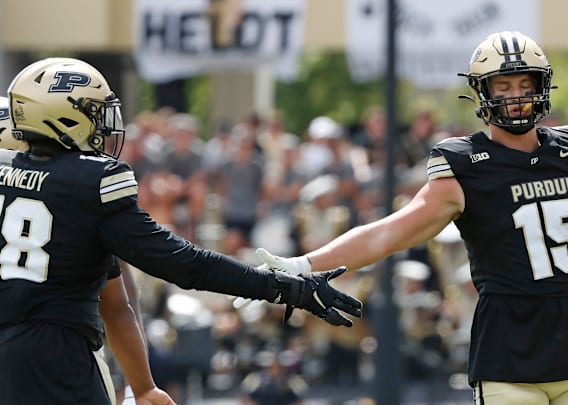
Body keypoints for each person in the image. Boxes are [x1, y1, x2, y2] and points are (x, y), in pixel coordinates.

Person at [251, 31, 568, 403]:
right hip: (508, 360)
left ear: (542, 87)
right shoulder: (464, 165)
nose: (515, 96)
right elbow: (390, 233)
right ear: (482, 92)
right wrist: (307, 264)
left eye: (525, 84)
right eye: (503, 86)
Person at [0, 58, 362, 405]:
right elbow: (184, 264)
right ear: (64, 116)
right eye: (94, 114)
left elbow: (117, 301)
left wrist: (143, 387)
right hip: (55, 358)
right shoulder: (92, 183)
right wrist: (278, 286)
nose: (102, 126)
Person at [0, 96, 173, 404]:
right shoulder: (71, 196)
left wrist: (141, 384)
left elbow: (118, 299)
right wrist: (141, 385)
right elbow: (119, 303)